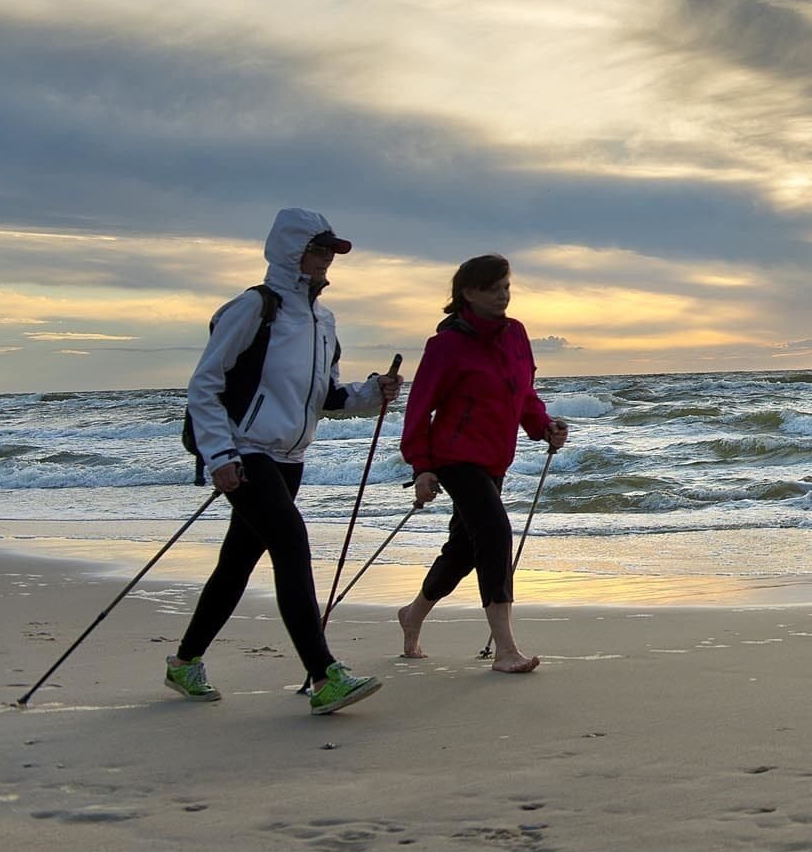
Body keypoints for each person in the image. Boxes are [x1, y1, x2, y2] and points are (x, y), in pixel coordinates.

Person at [167, 207, 402, 715]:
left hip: (290, 456)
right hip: (246, 452)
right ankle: (324, 676)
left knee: (236, 563)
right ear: (291, 251)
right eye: (318, 250)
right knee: (292, 545)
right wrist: (219, 454)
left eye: (330, 252)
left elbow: (326, 396)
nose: (326, 261)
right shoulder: (254, 308)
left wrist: (372, 393)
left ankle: (185, 662)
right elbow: (204, 386)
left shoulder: (322, 319)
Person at [396, 254, 568, 673]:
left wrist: (543, 425)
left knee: (463, 549)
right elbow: (419, 410)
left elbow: (522, 393)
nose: (502, 296)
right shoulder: (446, 346)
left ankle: (413, 614)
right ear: (468, 293)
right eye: (492, 289)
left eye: (506, 287)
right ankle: (506, 650)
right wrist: (421, 466)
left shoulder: (516, 334)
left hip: (495, 458)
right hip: (455, 458)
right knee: (494, 532)